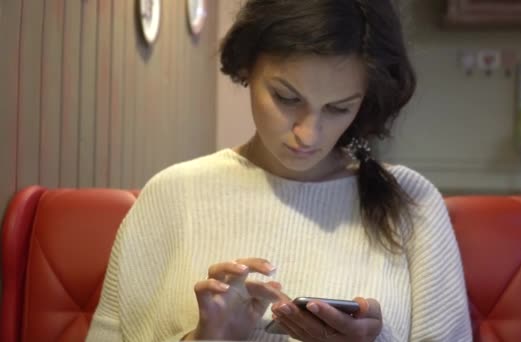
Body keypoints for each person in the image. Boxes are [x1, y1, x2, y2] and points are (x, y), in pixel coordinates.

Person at [86, 0, 472, 341]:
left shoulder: (412, 203)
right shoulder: (173, 194)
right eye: (287, 98)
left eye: (339, 108)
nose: (309, 133)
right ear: (247, 68)